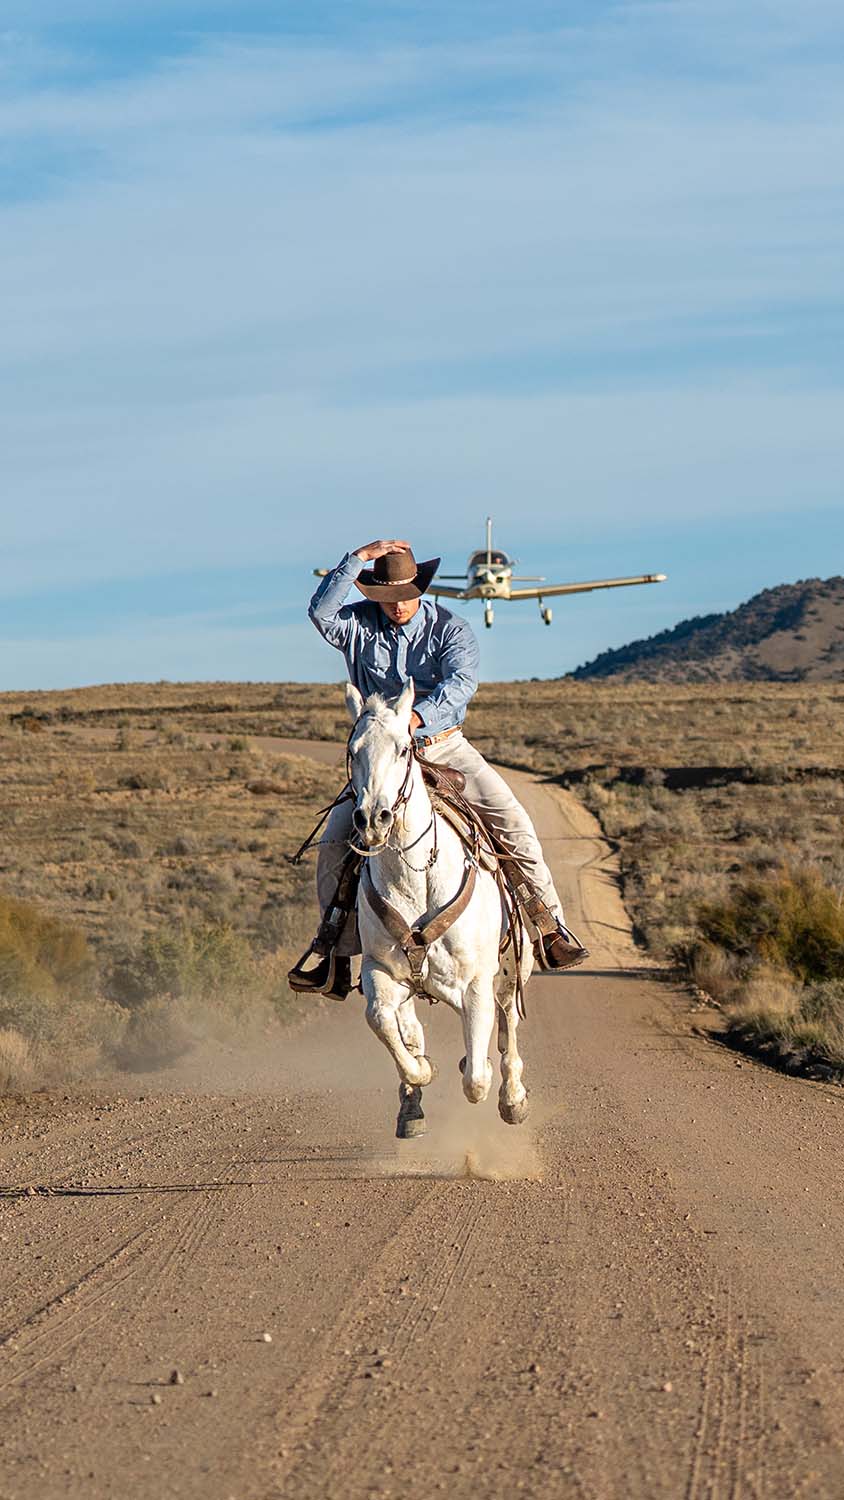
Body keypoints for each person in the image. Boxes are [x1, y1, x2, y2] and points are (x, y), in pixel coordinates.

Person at [289, 538, 588, 1000]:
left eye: (404, 597)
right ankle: (335, 953)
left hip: (443, 746)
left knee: (514, 824)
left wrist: (415, 718)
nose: (396, 607)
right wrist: (357, 559)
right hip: (384, 758)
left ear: (421, 590)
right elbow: (321, 613)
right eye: (385, 599)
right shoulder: (357, 626)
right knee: (333, 843)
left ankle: (548, 927)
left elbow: (461, 683)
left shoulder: (451, 629)